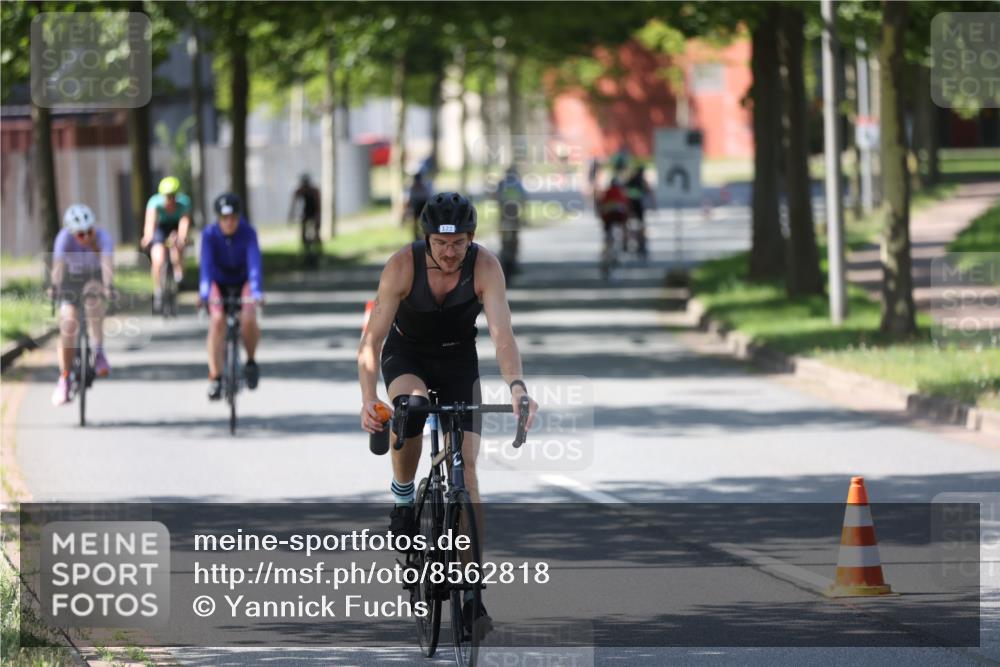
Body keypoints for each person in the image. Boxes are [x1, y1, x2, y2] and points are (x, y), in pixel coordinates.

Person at [357, 192, 538, 632]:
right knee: (414, 409)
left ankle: (472, 594)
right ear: (427, 239)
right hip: (407, 357)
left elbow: (502, 336)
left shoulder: (486, 267)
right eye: (441, 243)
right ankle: (403, 495)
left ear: (472, 239)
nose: (450, 252)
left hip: (458, 359)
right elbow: (371, 343)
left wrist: (516, 386)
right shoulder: (402, 266)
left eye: (459, 243)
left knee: (468, 475)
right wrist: (368, 399)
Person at [199, 193, 264, 401]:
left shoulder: (248, 232)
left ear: (239, 216)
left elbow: (254, 265)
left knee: (248, 316)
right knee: (217, 321)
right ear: (218, 218)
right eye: (224, 218)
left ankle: (251, 361)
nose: (229, 222)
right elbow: (206, 268)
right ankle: (215, 377)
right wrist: (203, 294)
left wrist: (256, 292)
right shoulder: (209, 234)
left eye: (233, 217)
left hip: (243, 280)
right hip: (219, 282)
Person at [50, 204, 115, 406]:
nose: (86, 237)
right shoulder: (63, 239)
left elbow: (107, 265)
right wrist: (55, 287)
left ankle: (98, 350)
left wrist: (108, 286)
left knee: (94, 301)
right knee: (68, 324)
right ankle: (65, 377)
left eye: (89, 231)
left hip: (93, 277)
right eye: (80, 234)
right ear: (71, 232)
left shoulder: (103, 238)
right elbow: (58, 268)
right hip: (70, 279)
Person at [140, 176, 192, 313]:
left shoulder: (184, 202)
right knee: (158, 258)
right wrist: (147, 237)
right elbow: (150, 223)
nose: (170, 200)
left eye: (173, 196)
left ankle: (179, 273)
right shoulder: (154, 202)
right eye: (167, 197)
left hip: (175, 228)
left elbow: (184, 223)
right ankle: (158, 289)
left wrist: (182, 237)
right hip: (160, 228)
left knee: (177, 245)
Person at [625, 166, 653, 258]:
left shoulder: (631, 179)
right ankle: (642, 243)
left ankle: (626, 242)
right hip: (638, 205)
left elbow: (624, 190)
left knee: (627, 224)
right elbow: (649, 191)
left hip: (630, 205)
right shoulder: (642, 181)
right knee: (641, 225)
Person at [288, 173, 321, 250]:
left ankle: (318, 247)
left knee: (316, 231)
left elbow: (318, 204)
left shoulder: (314, 191)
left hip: (314, 212)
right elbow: (293, 204)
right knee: (303, 230)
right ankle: (305, 247)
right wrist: (291, 215)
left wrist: (318, 216)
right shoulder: (300, 190)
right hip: (306, 212)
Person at [404, 172, 431, 240]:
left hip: (423, 206)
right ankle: (416, 235)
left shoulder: (425, 187)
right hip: (416, 207)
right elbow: (409, 200)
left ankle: (425, 235)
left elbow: (428, 198)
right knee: (415, 222)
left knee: (425, 221)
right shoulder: (412, 188)